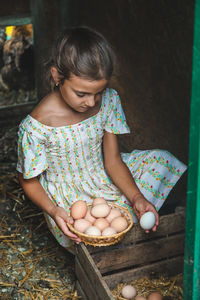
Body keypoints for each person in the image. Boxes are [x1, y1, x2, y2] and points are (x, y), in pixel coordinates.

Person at [16, 26, 187, 253]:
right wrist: (54, 210)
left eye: (99, 92)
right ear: (58, 76)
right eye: (82, 94)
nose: (92, 102)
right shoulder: (36, 126)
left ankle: (126, 220)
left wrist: (136, 197)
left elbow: (113, 161)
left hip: (102, 174)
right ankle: (110, 234)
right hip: (68, 195)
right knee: (84, 226)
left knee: (161, 160)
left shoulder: (108, 101)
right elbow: (29, 181)